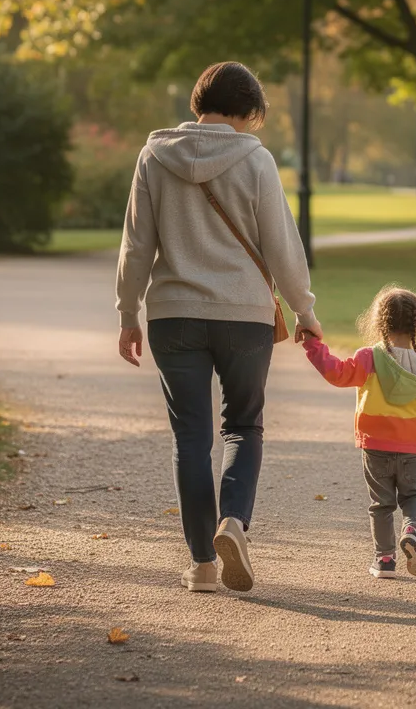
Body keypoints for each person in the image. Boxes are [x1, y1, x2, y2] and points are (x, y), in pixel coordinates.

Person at [115, 62, 321, 593]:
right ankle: (234, 521)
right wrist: (304, 311)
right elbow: (281, 242)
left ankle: (203, 565)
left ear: (198, 101)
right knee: (243, 425)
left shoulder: (154, 156)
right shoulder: (256, 159)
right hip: (244, 317)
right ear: (249, 111)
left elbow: (137, 244)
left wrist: (127, 312)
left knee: (191, 439)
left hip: (174, 315)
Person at [299, 286, 416, 579]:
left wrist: (313, 345)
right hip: (414, 447)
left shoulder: (369, 357)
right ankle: (412, 530)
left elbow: (336, 373)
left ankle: (384, 561)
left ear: (380, 322)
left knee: (381, 504)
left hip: (376, 445)